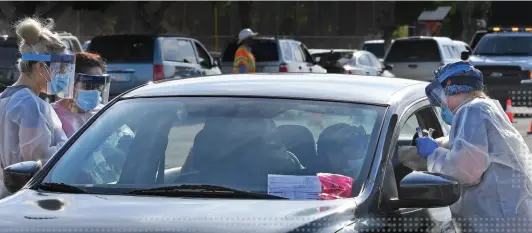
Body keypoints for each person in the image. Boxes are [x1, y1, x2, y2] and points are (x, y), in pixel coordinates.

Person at [416, 61, 532, 232]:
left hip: (497, 221)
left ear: (450, 85)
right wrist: (441, 143)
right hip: (508, 217)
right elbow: (475, 144)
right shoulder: (486, 107)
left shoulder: (471, 110)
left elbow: (467, 170)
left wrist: (434, 153)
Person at [0, 18, 70, 198]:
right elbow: (38, 160)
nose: (63, 75)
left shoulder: (5, 99)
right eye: (60, 68)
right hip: (25, 199)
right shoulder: (30, 104)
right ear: (40, 67)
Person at [52, 52, 109, 138]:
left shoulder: (103, 113)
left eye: (99, 86)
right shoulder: (51, 114)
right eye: (89, 85)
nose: (95, 91)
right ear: (70, 83)